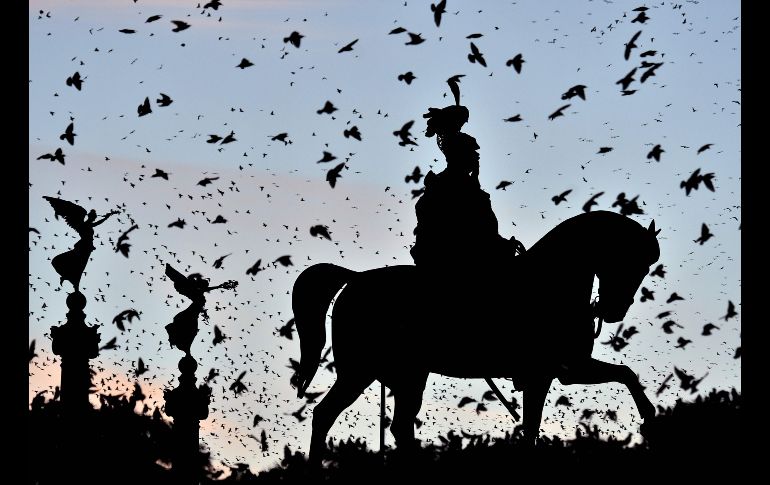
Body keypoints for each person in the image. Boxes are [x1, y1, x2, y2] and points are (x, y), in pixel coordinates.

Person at [410, 104, 525, 292]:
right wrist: (501, 247)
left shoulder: (462, 187)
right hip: (454, 267)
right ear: (461, 155)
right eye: (472, 152)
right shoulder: (451, 188)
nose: (477, 157)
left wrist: (502, 244)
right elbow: (471, 236)